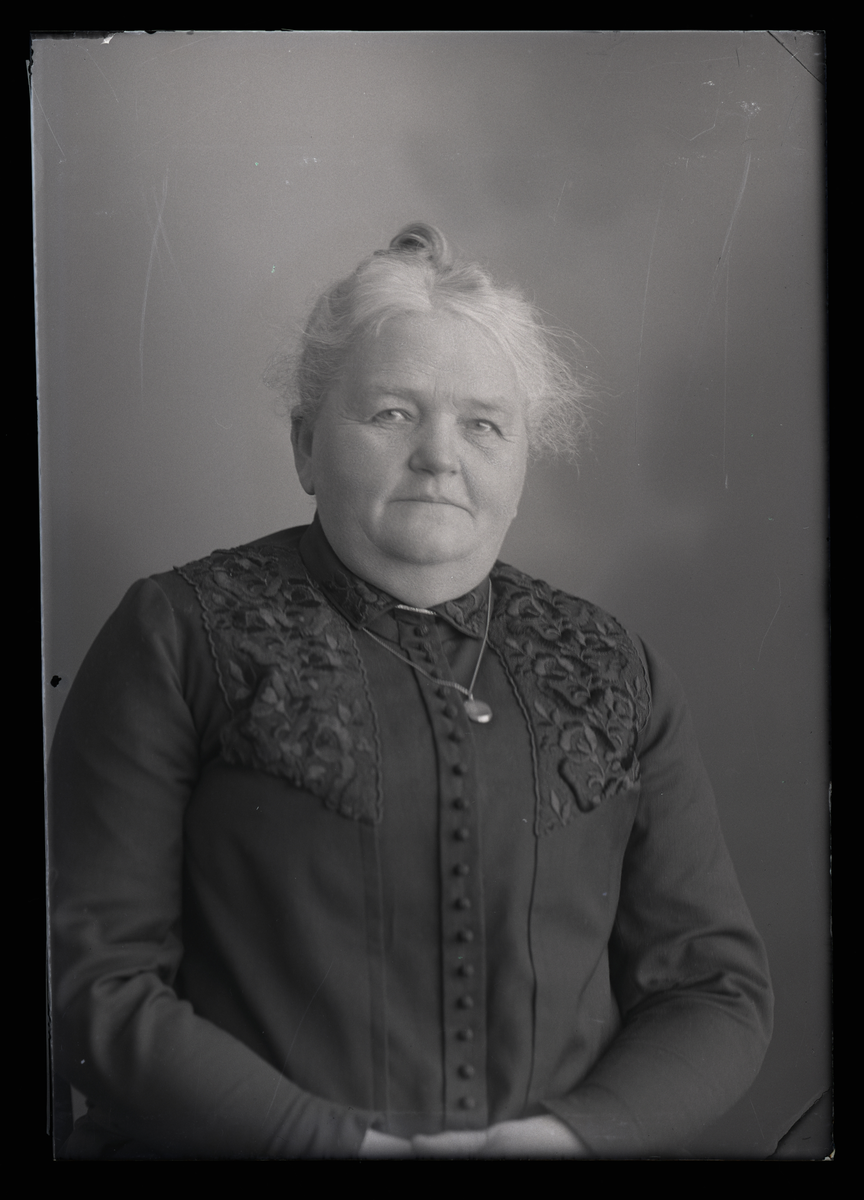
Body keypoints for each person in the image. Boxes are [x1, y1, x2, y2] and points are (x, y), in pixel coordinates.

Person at [49, 223, 773, 1160]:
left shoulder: (616, 666)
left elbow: (715, 992)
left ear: (522, 460)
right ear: (306, 446)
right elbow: (93, 977)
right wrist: (337, 1150)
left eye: (484, 424)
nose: (440, 455)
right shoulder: (175, 632)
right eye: (393, 414)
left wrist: (566, 1141)